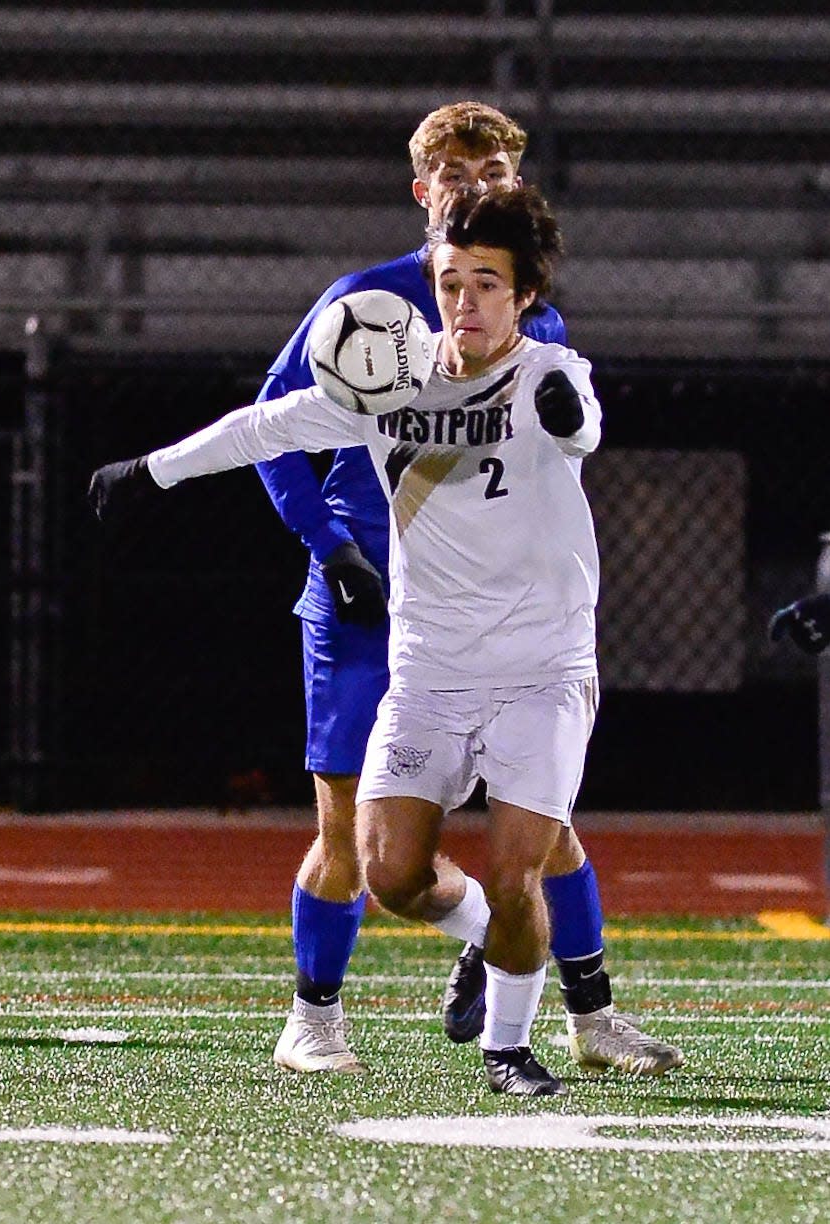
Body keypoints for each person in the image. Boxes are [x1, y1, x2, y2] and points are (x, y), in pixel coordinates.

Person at [89, 186, 681, 1094]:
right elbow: (266, 426)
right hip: (428, 672)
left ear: (524, 296)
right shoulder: (387, 382)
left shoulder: (547, 372)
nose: (465, 301)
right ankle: (495, 945)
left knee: (521, 864)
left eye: (488, 283)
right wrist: (150, 472)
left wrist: (567, 418)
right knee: (391, 873)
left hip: (539, 670)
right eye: (451, 282)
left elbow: (579, 423)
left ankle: (510, 1050)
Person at [249, 101, 682, 1078]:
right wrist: (333, 547)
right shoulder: (363, 302)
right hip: (368, 602)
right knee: (351, 826)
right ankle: (314, 1020)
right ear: (422, 189)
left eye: (493, 180)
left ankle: (591, 1018)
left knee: (549, 825)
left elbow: (557, 463)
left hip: (492, 617)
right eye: (456, 176)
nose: (473, 192)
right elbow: (271, 432)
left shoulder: (531, 313)